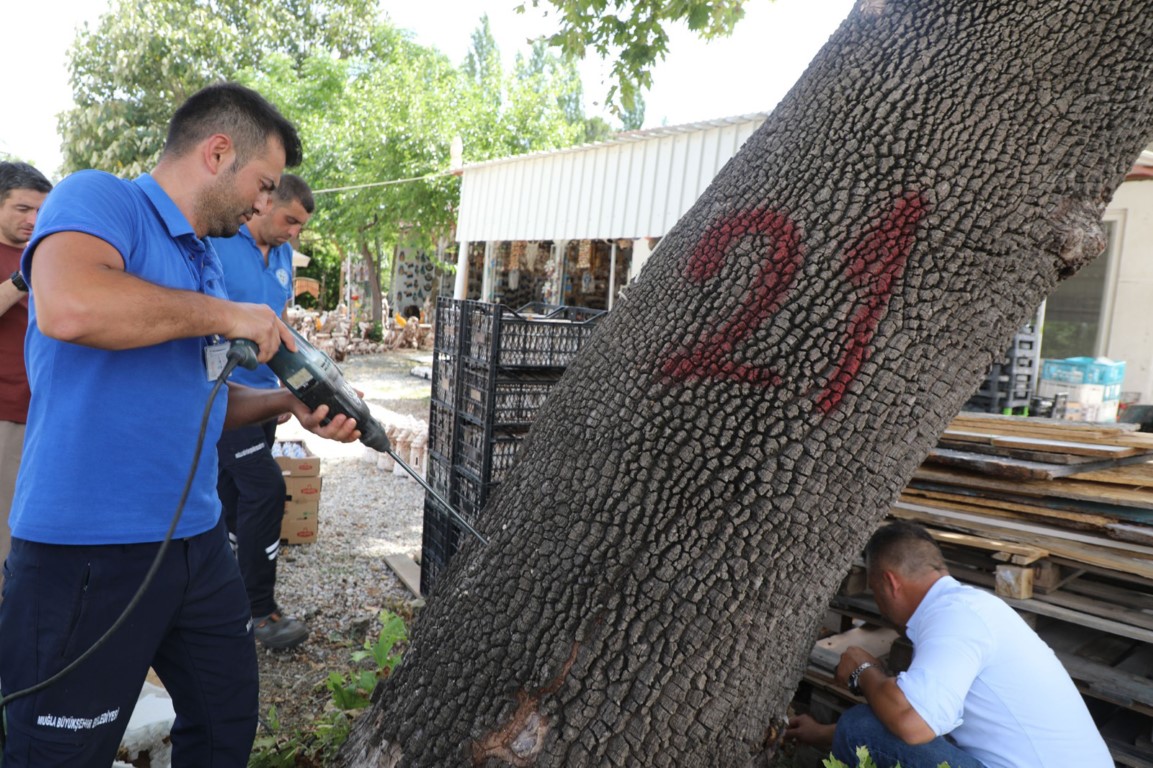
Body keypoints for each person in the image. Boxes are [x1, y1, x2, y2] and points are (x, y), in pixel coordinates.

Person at [0, 82, 360, 767]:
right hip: (85, 553)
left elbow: (204, 404)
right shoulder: (99, 199)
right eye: (263, 183)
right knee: (60, 754)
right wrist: (226, 317)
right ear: (217, 152)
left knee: (225, 726)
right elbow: (71, 306)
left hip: (197, 547)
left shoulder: (203, 264)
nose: (266, 203)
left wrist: (289, 405)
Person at [785, 521, 1112, 768]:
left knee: (861, 727)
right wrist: (822, 734)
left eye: (874, 588)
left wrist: (863, 670)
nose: (877, 601)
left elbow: (912, 726)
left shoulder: (955, 619)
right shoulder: (967, 609)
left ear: (889, 582)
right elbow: (932, 722)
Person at [210, 173, 314, 649]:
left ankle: (222, 602)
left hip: (266, 398)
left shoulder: (286, 255)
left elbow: (281, 322)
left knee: (232, 500)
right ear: (266, 201)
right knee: (266, 489)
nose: (295, 232)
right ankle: (259, 612)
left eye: (300, 226)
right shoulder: (221, 240)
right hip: (222, 396)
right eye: (290, 219)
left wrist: (294, 383)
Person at [0, 162, 52, 593]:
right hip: (6, 414)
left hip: (46, 412)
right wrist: (22, 278)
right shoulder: (28, 263)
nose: (33, 220)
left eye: (41, 210)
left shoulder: (47, 252)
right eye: (22, 208)